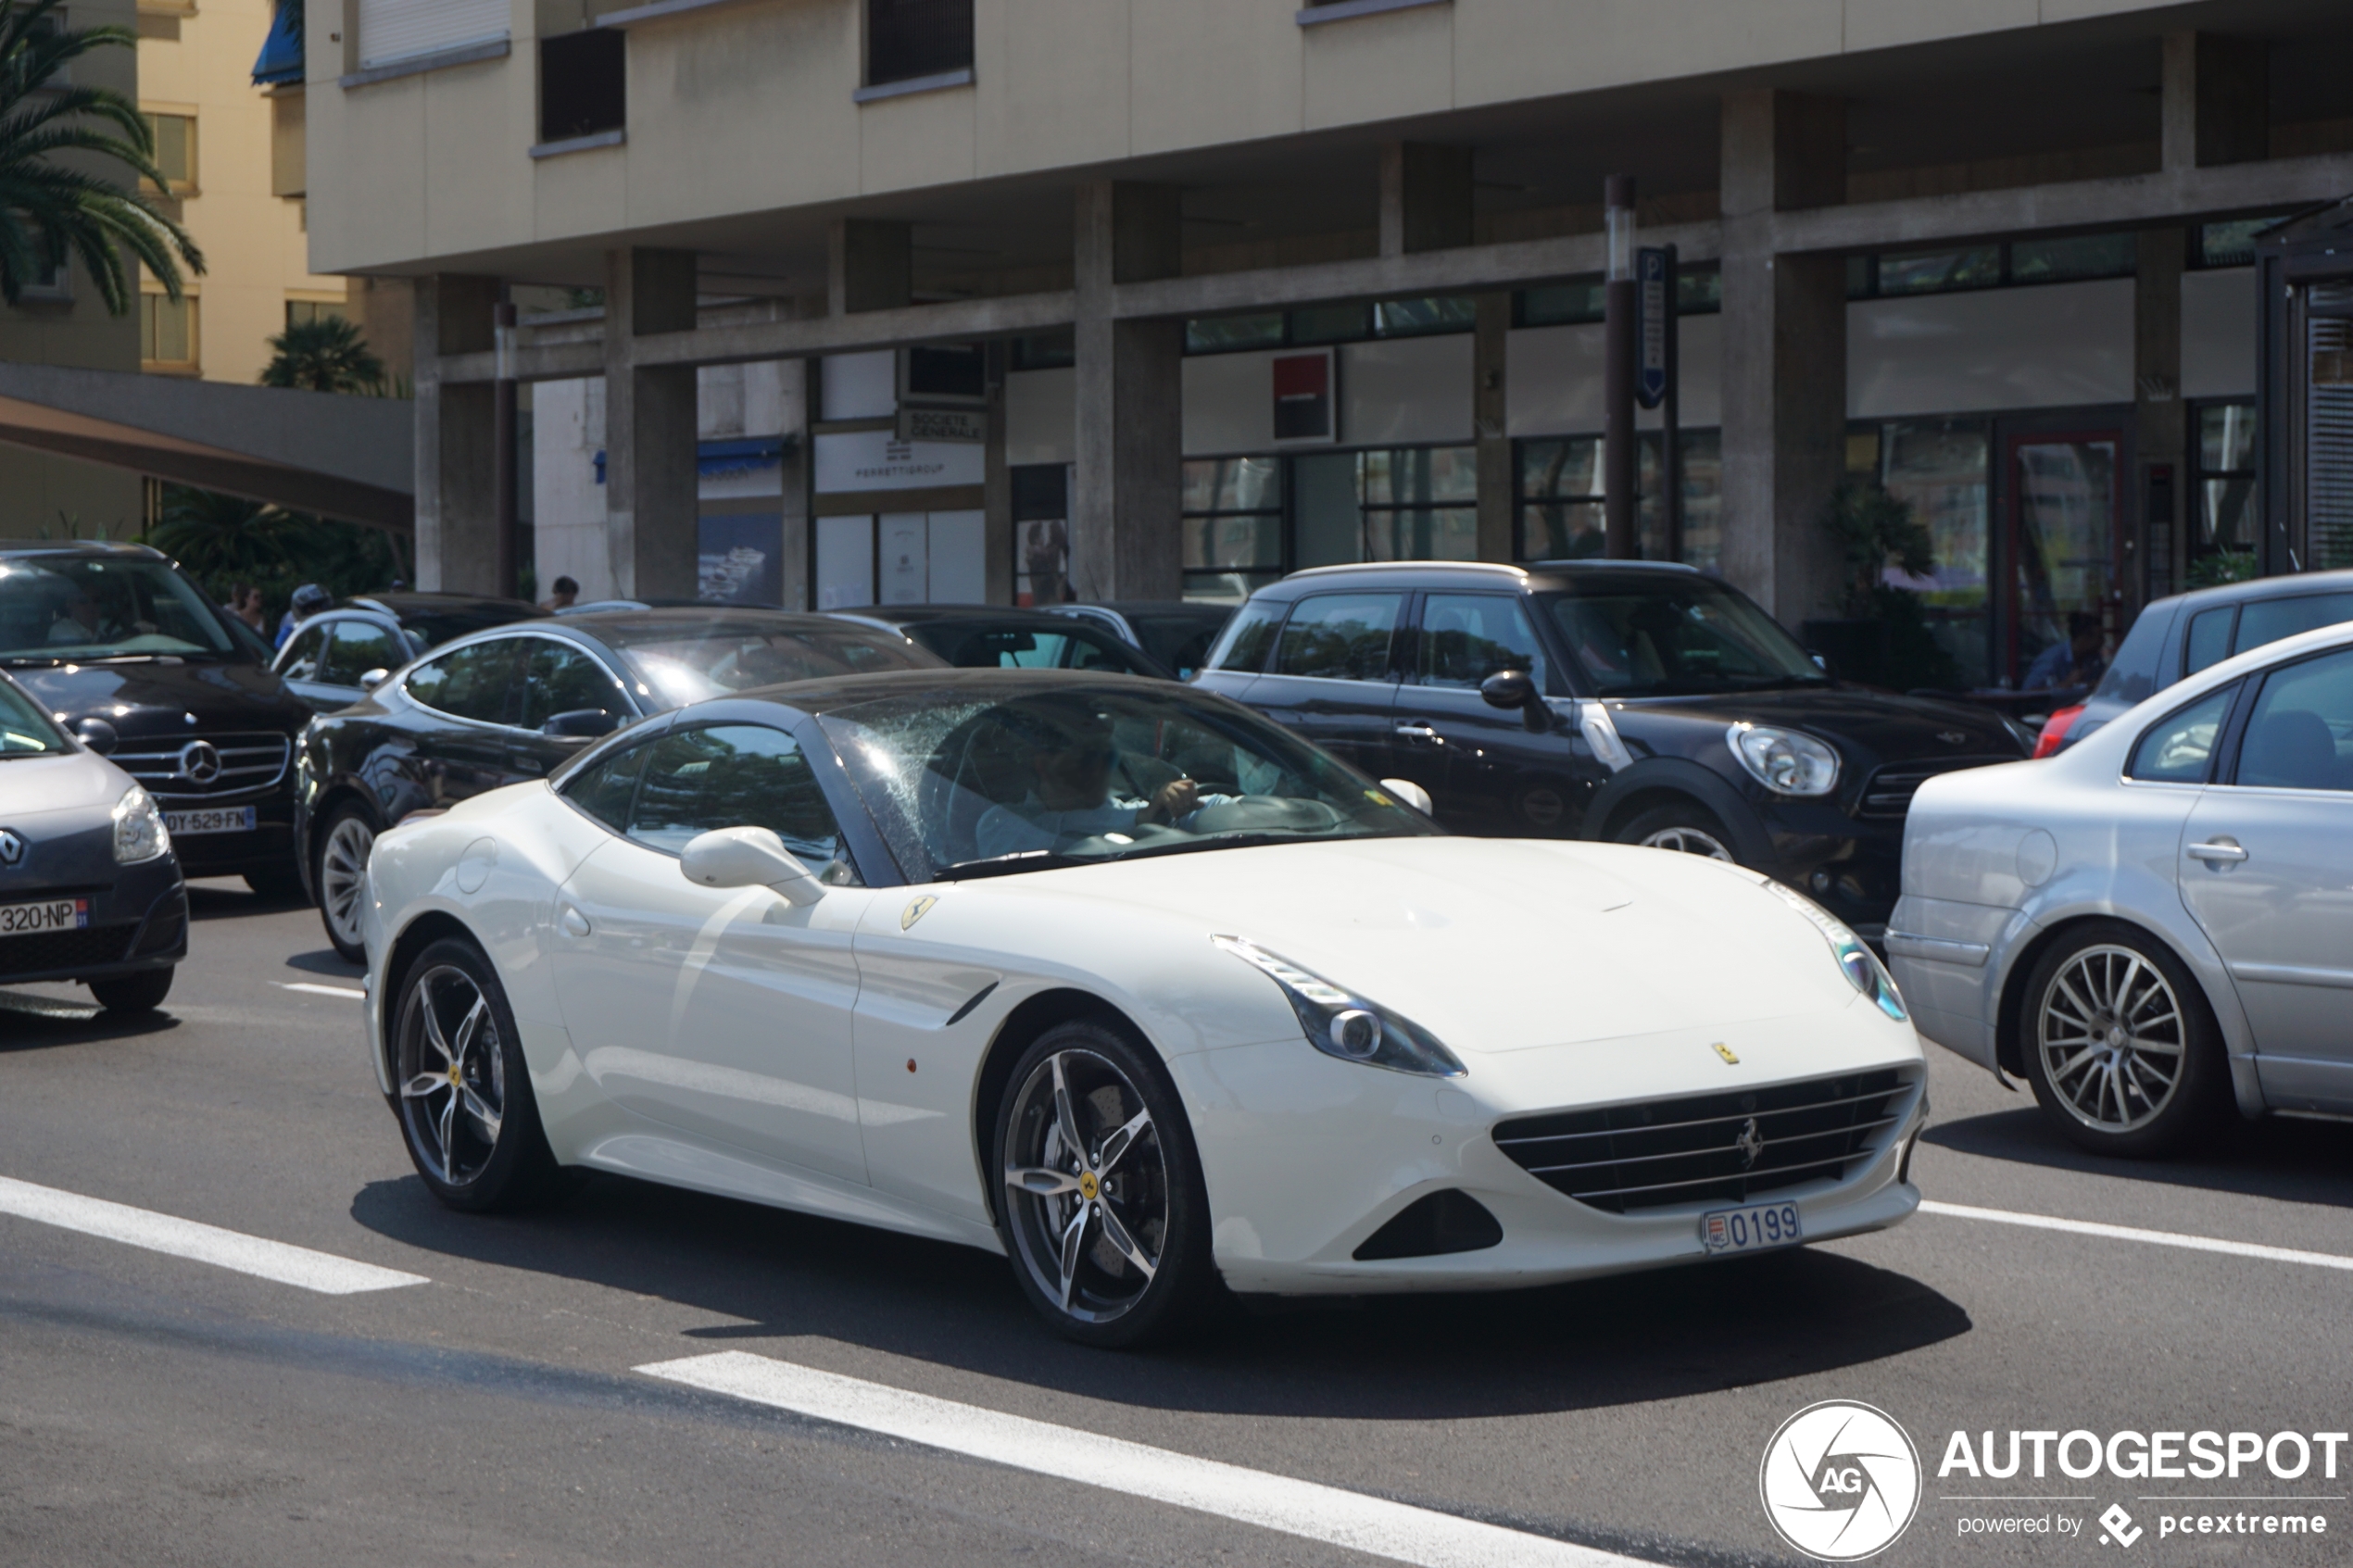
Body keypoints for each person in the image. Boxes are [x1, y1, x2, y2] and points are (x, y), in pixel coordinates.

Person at [974, 709, 1231, 860]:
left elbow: (1215, 808)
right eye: (1084, 758)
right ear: (1044, 766)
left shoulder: (1128, 810)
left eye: (1105, 757)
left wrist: (1180, 799)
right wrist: (1142, 820)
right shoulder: (999, 823)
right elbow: (1066, 846)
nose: (1099, 768)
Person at [2022, 611, 2105, 692]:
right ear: (2082, 638)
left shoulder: (2093, 658)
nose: (2103, 641)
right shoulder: (2052, 659)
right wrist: (2066, 684)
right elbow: (2028, 691)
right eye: (2099, 637)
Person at [275, 583, 331, 650]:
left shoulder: (328, 626)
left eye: (323, 606)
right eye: (314, 607)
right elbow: (277, 652)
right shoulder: (290, 631)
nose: (320, 611)